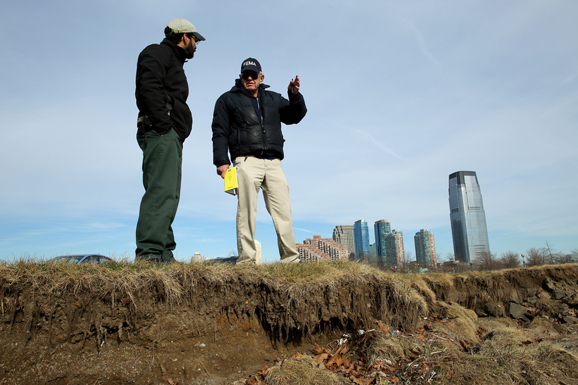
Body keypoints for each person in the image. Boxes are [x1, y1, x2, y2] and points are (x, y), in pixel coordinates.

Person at [211, 58, 307, 264]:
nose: (249, 79)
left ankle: (290, 260)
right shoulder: (226, 100)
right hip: (245, 161)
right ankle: (247, 260)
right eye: (245, 75)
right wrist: (221, 161)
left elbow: (295, 116)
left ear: (261, 77)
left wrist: (295, 96)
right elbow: (219, 131)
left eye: (253, 75)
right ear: (240, 78)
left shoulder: (274, 99)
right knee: (246, 211)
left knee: (283, 211)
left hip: (273, 163)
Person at [134, 18, 205, 263]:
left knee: (170, 193)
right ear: (184, 36)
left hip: (170, 134)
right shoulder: (156, 52)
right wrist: (164, 126)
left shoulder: (174, 61)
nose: (196, 44)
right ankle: (149, 253)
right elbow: (148, 88)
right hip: (161, 131)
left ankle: (163, 252)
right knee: (160, 191)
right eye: (195, 39)